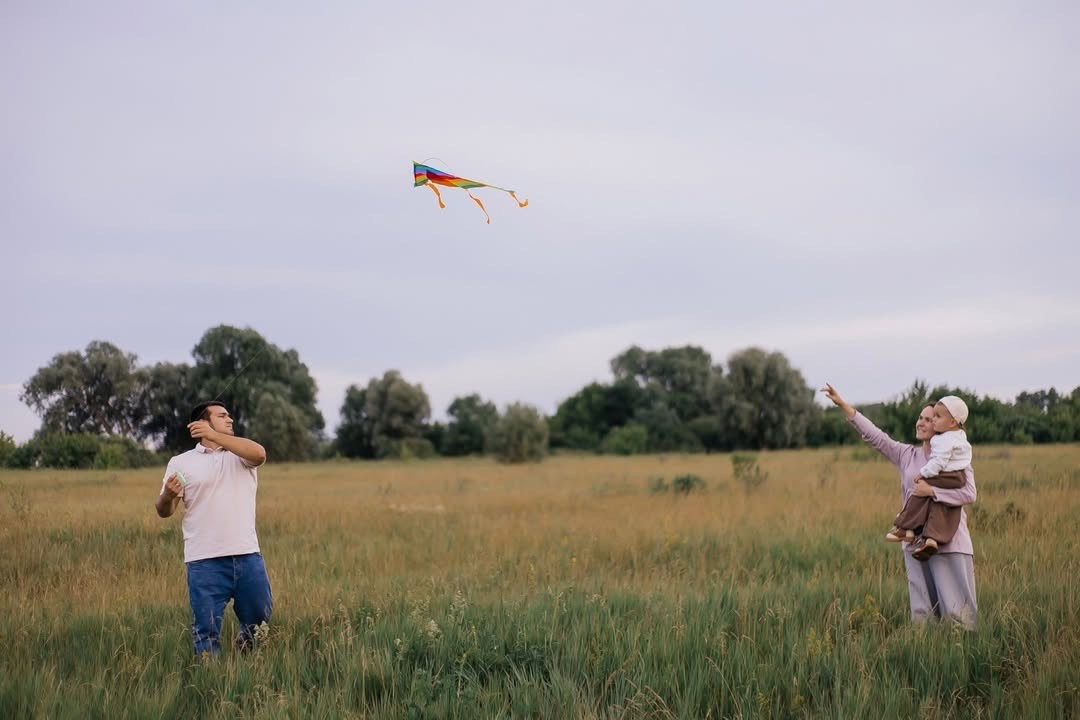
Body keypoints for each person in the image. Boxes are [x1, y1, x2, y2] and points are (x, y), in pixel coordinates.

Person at [822, 384, 977, 629]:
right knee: (922, 614)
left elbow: (969, 493)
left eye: (930, 418)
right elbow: (876, 437)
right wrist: (844, 406)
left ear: (943, 424)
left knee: (959, 616)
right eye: (921, 417)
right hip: (914, 543)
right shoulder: (907, 455)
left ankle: (962, 661)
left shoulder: (955, 456)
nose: (922, 422)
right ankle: (924, 658)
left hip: (950, 543)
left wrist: (932, 492)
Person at [155, 401, 273, 655]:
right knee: (206, 632)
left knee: (260, 623)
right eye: (222, 416)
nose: (230, 419)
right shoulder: (181, 463)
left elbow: (260, 454)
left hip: (247, 556)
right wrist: (166, 496)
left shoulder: (241, 456)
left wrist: (215, 435)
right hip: (204, 561)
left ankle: (247, 662)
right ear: (201, 423)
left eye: (229, 415)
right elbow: (165, 510)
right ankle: (210, 684)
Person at [886, 395, 971, 561]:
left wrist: (923, 475)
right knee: (932, 500)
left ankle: (905, 526)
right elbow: (878, 438)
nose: (932, 422)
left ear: (952, 422)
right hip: (954, 476)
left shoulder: (942, 441)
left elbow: (939, 462)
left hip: (950, 475)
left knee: (919, 491)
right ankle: (925, 536)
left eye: (935, 418)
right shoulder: (960, 438)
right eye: (921, 418)